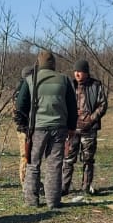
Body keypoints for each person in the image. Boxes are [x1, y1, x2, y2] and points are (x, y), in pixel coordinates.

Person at [15, 51, 78, 209]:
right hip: (59, 128)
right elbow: (72, 106)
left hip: (37, 129)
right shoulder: (64, 80)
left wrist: (25, 124)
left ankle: (31, 201)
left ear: (38, 63)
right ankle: (53, 201)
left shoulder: (30, 80)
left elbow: (20, 105)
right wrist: (71, 127)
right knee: (54, 165)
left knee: (33, 164)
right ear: (53, 64)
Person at [61, 59, 109, 196]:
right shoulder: (69, 85)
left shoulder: (96, 85)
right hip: (71, 129)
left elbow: (103, 105)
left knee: (88, 160)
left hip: (89, 129)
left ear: (86, 72)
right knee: (68, 159)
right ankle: (64, 188)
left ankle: (86, 188)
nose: (77, 74)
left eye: (80, 71)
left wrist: (91, 119)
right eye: (75, 71)